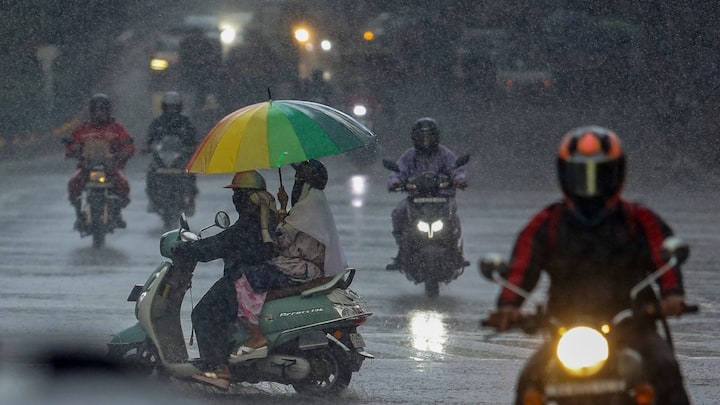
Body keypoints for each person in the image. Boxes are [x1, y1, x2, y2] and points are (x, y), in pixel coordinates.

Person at [486, 126, 690, 404]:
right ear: (564, 174)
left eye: (601, 173)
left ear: (617, 173)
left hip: (632, 327)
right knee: (530, 381)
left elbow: (663, 255)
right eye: (580, 174)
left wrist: (672, 296)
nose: (590, 184)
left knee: (664, 367)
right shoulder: (549, 223)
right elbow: (523, 265)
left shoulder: (638, 219)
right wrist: (509, 307)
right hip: (564, 332)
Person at [229, 159, 347, 363]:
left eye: (298, 180)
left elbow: (282, 239)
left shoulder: (307, 207)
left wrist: (270, 213)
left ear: (305, 183)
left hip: (296, 267)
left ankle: (256, 336)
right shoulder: (316, 203)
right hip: (306, 266)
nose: (295, 184)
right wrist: (284, 206)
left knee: (244, 278)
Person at [172, 171, 278, 388]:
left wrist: (187, 249)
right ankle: (229, 358)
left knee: (203, 314)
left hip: (247, 277)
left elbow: (220, 244)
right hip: (259, 275)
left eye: (237, 193)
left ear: (246, 196)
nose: (236, 198)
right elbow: (225, 240)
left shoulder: (251, 222)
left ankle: (218, 370)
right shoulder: (265, 216)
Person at [386, 117, 467, 267]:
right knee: (398, 212)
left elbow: (457, 169)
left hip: (443, 198)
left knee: (453, 216)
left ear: (436, 136)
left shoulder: (445, 154)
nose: (425, 140)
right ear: (414, 137)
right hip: (415, 199)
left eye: (429, 136)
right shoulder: (409, 156)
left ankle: (454, 250)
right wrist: (395, 182)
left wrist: (459, 179)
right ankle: (402, 249)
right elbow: (397, 171)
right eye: (421, 136)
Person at [65, 93, 135, 229]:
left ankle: (117, 212)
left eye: (103, 110)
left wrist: (125, 152)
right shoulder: (83, 129)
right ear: (92, 112)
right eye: (97, 110)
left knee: (123, 184)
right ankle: (80, 215)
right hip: (87, 168)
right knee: (73, 183)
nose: (100, 114)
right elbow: (72, 143)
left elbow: (127, 143)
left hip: (110, 167)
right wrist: (72, 149)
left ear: (108, 111)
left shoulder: (116, 128)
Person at [145, 91, 199, 214]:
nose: (171, 109)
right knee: (150, 171)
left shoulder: (185, 123)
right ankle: (152, 200)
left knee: (190, 172)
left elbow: (193, 138)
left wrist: (192, 148)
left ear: (179, 107)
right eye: (169, 106)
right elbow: (150, 139)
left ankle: (190, 199)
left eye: (174, 106)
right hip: (161, 158)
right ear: (164, 107)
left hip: (180, 158)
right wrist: (148, 147)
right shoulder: (158, 123)